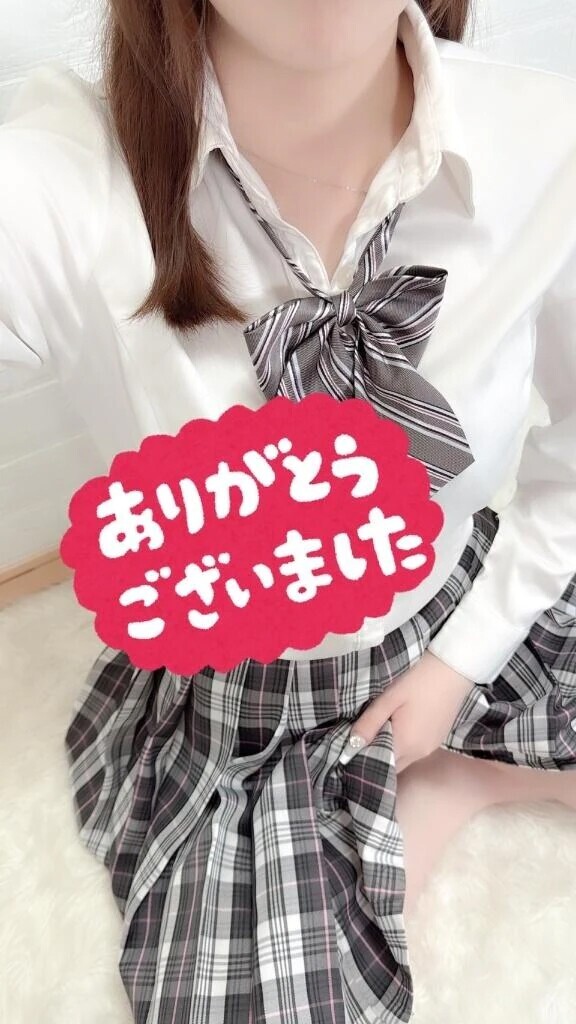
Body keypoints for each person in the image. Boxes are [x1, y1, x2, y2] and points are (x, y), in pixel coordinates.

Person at [1, 0, 576, 1020]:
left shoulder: (545, 141)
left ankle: (464, 773)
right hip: (244, 697)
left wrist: (461, 662)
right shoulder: (62, 180)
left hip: (451, 610)